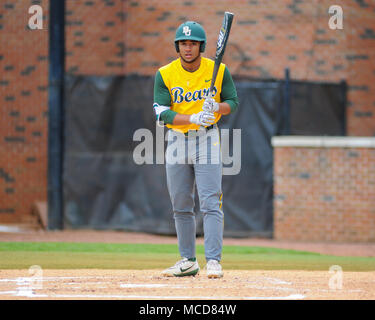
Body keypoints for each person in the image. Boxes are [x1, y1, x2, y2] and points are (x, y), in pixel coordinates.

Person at [153, 21, 238, 278]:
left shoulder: (219, 70)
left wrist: (216, 109)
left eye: (192, 43)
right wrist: (191, 118)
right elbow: (162, 113)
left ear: (200, 46)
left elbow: (232, 102)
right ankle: (188, 260)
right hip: (177, 140)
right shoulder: (165, 73)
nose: (187, 48)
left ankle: (213, 260)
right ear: (177, 46)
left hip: (207, 139)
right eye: (183, 43)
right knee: (181, 203)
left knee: (211, 202)